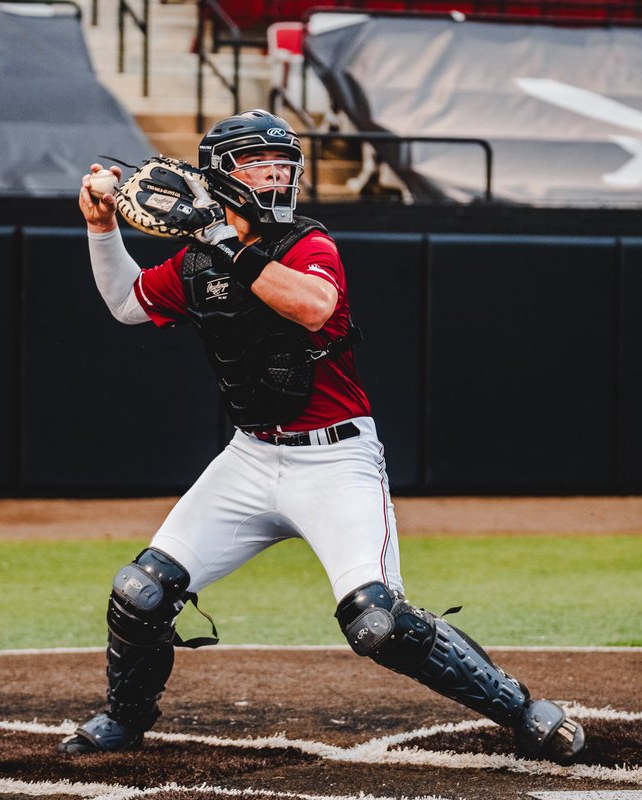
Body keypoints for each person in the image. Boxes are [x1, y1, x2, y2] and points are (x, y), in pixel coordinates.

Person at [58, 109, 586, 764]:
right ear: (219, 175)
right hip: (252, 459)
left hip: (336, 460)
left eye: (283, 165)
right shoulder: (198, 263)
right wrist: (101, 226)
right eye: (258, 164)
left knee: (376, 620)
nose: (276, 176)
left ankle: (521, 709)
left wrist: (219, 237)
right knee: (140, 592)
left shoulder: (308, 244)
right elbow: (126, 302)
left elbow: (311, 307)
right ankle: (125, 717)